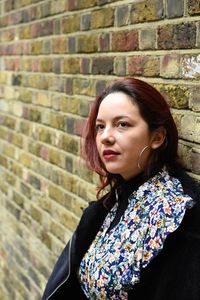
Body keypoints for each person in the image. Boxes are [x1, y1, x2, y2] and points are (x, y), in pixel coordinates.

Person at [41, 78, 200, 300]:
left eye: (122, 124)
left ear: (157, 137)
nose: (105, 137)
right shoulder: (107, 208)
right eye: (100, 127)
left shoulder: (177, 216)